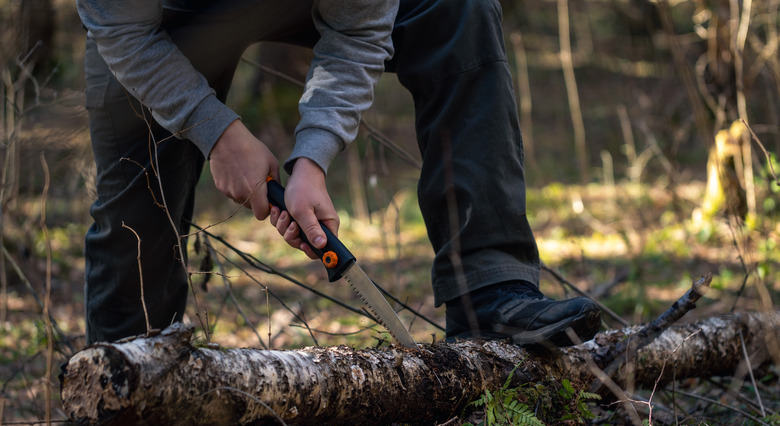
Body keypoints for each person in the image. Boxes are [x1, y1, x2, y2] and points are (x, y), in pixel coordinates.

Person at [77, 0, 601, 349]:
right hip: (156, 20)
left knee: (456, 8)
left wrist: (312, 160)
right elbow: (119, 26)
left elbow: (359, 25)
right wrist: (216, 133)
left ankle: (490, 293)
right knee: (135, 220)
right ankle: (131, 387)